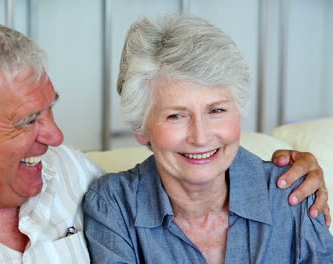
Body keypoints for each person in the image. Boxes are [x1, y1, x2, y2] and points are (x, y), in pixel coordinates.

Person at [0, 19, 327, 263]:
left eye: (52, 107)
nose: (56, 135)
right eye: (28, 120)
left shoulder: (67, 174)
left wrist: (299, 166)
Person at [82, 14, 333, 263]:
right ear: (141, 128)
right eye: (176, 116)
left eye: (216, 110)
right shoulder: (113, 205)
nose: (200, 137)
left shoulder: (292, 192)